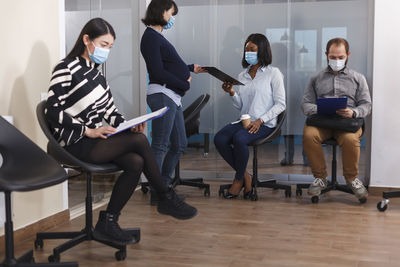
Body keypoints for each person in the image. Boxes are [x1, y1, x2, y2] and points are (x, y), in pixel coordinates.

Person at [45, 18, 197, 246]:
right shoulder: (65, 68)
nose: (106, 51)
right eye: (103, 44)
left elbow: (110, 111)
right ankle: (164, 195)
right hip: (75, 142)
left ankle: (109, 220)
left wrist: (128, 123)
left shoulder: (98, 76)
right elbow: (51, 110)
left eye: (110, 47)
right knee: (138, 141)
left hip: (97, 141)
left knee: (135, 161)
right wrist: (87, 130)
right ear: (87, 40)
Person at [140, 0, 205, 205]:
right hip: (163, 94)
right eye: (171, 13)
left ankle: (164, 188)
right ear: (162, 12)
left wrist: (187, 67)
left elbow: (167, 65)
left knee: (179, 144)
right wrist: (183, 84)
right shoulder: (150, 37)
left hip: (171, 96)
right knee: (160, 144)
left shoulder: (157, 37)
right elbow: (157, 72)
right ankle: (158, 194)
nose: (172, 18)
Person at [214, 33, 286, 199]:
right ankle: (247, 176)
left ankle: (238, 180)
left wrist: (260, 120)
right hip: (245, 120)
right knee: (220, 138)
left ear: (262, 50)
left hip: (265, 124)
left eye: (252, 49)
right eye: (246, 49)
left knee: (240, 139)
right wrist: (231, 92)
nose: (248, 53)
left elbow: (281, 104)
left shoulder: (273, 73)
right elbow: (241, 106)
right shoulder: (242, 76)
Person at [302, 38, 371, 200]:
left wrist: (353, 112)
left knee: (349, 140)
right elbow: (305, 105)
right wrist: (321, 108)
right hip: (322, 122)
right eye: (333, 57)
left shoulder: (358, 78)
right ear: (326, 55)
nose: (337, 61)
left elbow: (367, 105)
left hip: (347, 124)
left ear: (348, 55)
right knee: (309, 135)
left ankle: (352, 179)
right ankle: (320, 178)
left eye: (340, 57)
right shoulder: (315, 78)